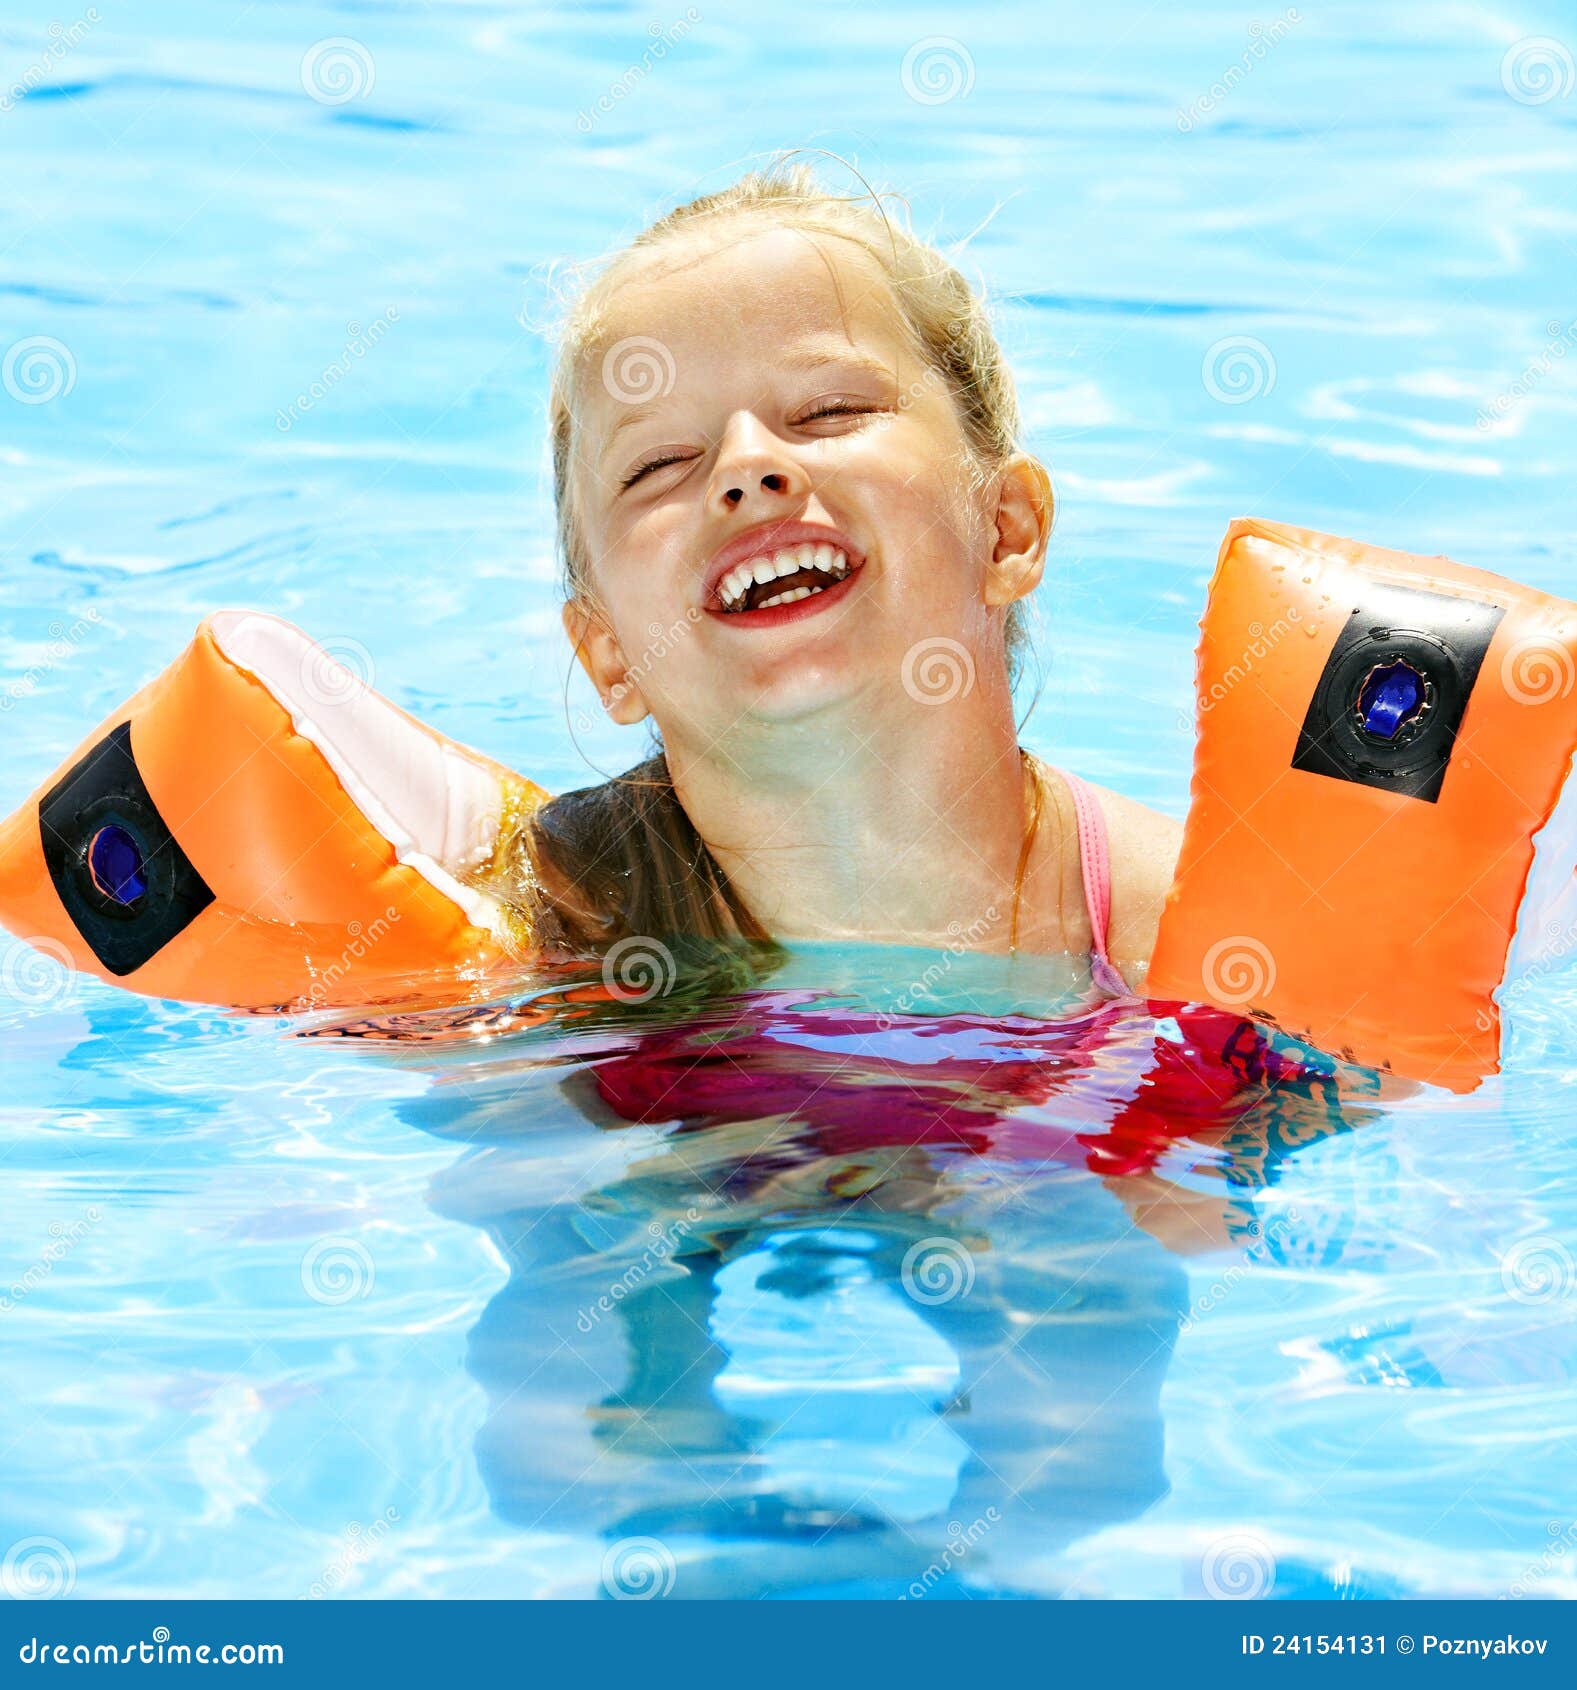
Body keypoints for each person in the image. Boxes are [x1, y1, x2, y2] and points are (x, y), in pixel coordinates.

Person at [486, 158, 1182, 999]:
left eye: (829, 412)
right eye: (660, 464)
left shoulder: (1193, 937)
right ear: (607, 654)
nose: (746, 467)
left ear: (1004, 530)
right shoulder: (538, 949)